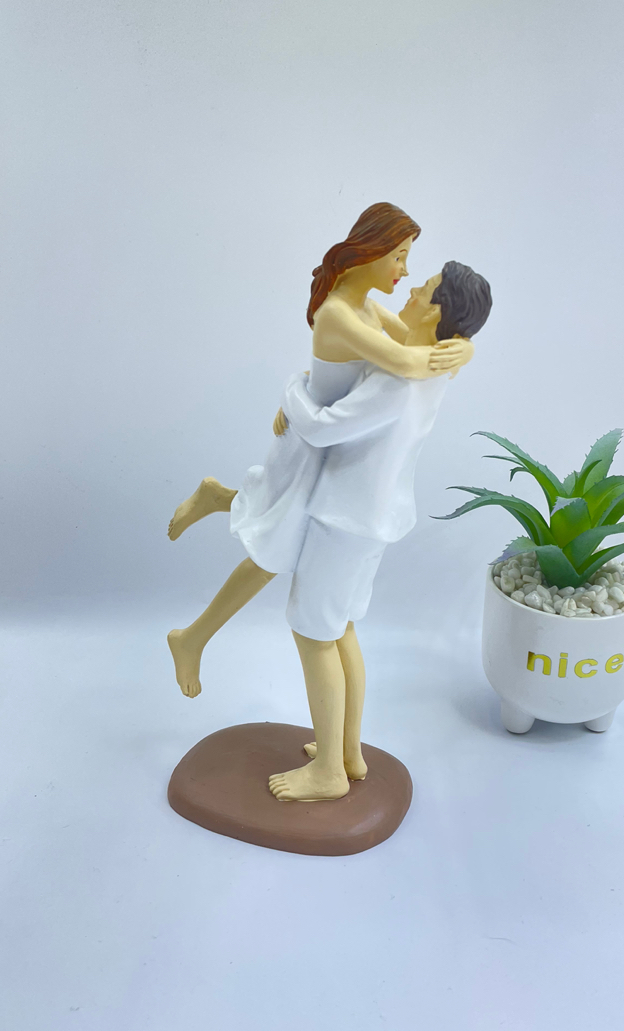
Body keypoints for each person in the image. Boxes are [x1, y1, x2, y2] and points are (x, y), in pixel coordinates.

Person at [166, 205, 488, 800]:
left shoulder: (399, 380)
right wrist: (463, 346)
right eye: (403, 259)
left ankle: (330, 773)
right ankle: (348, 754)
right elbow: (413, 351)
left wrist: (293, 391)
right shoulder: (432, 369)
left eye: (421, 283)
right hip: (364, 513)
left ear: (435, 313)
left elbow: (324, 426)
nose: (409, 281)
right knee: (338, 628)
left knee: (314, 632)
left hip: (343, 514)